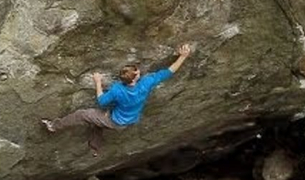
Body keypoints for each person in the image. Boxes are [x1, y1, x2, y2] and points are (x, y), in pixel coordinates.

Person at [41, 44, 192, 156]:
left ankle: (54, 126)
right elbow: (168, 72)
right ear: (135, 78)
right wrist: (183, 56)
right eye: (137, 72)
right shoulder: (146, 84)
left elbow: (101, 101)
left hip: (116, 120)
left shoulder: (117, 90)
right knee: (96, 120)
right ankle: (95, 148)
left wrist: (98, 82)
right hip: (127, 120)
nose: (139, 71)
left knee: (83, 114)